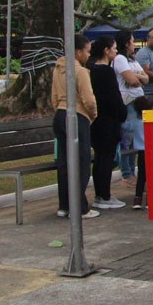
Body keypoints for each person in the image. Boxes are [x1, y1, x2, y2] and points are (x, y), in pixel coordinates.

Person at [52, 34, 99, 219]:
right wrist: (91, 116)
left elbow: (54, 97)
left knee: (64, 163)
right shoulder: (80, 71)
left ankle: (64, 205)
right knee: (81, 164)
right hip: (78, 116)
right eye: (87, 51)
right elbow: (89, 99)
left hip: (60, 115)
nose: (88, 56)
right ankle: (80, 208)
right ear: (78, 52)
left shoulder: (57, 69)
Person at [88, 35, 128, 210]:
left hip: (96, 121)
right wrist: (122, 113)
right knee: (106, 158)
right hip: (108, 121)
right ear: (106, 50)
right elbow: (114, 98)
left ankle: (101, 194)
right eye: (114, 48)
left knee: (100, 159)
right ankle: (104, 195)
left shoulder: (90, 69)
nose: (116, 51)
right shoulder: (105, 71)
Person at [114, 31, 149, 187]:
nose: (134, 44)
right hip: (129, 102)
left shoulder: (133, 60)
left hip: (139, 102)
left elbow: (145, 79)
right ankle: (126, 174)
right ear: (126, 43)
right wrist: (139, 78)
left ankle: (132, 172)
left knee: (137, 138)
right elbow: (132, 80)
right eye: (132, 41)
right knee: (127, 138)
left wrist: (139, 78)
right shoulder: (120, 59)